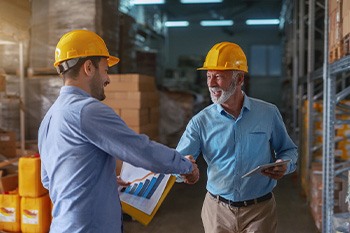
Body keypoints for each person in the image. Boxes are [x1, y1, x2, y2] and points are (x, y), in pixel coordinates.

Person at [38, 29, 199, 233]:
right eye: (105, 69)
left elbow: (49, 179)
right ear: (88, 67)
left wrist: (102, 181)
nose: (108, 79)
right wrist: (185, 165)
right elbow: (140, 150)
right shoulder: (88, 110)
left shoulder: (49, 118)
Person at [176, 42, 298, 233]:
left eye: (218, 76)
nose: (211, 84)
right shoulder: (200, 122)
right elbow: (176, 163)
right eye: (208, 76)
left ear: (239, 78)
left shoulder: (268, 113)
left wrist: (286, 164)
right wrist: (184, 171)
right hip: (217, 211)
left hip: (260, 211)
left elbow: (288, 149)